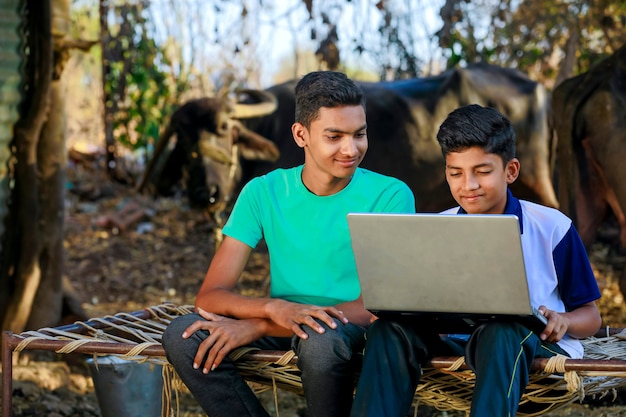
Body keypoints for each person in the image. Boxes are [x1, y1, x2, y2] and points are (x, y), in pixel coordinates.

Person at [162, 70, 416, 417]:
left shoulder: (391, 195)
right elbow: (211, 295)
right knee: (182, 334)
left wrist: (260, 325)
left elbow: (379, 305)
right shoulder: (263, 192)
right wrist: (271, 309)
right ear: (301, 135)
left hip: (348, 330)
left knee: (320, 344)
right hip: (286, 323)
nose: (351, 148)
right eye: (334, 136)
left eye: (360, 134)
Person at [349, 104, 602, 417]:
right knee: (388, 329)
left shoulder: (552, 226)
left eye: (482, 172)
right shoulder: (435, 228)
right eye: (455, 173)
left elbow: (591, 317)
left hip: (530, 346)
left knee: (504, 329)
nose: (467, 185)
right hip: (457, 343)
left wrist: (564, 321)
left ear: (510, 171)